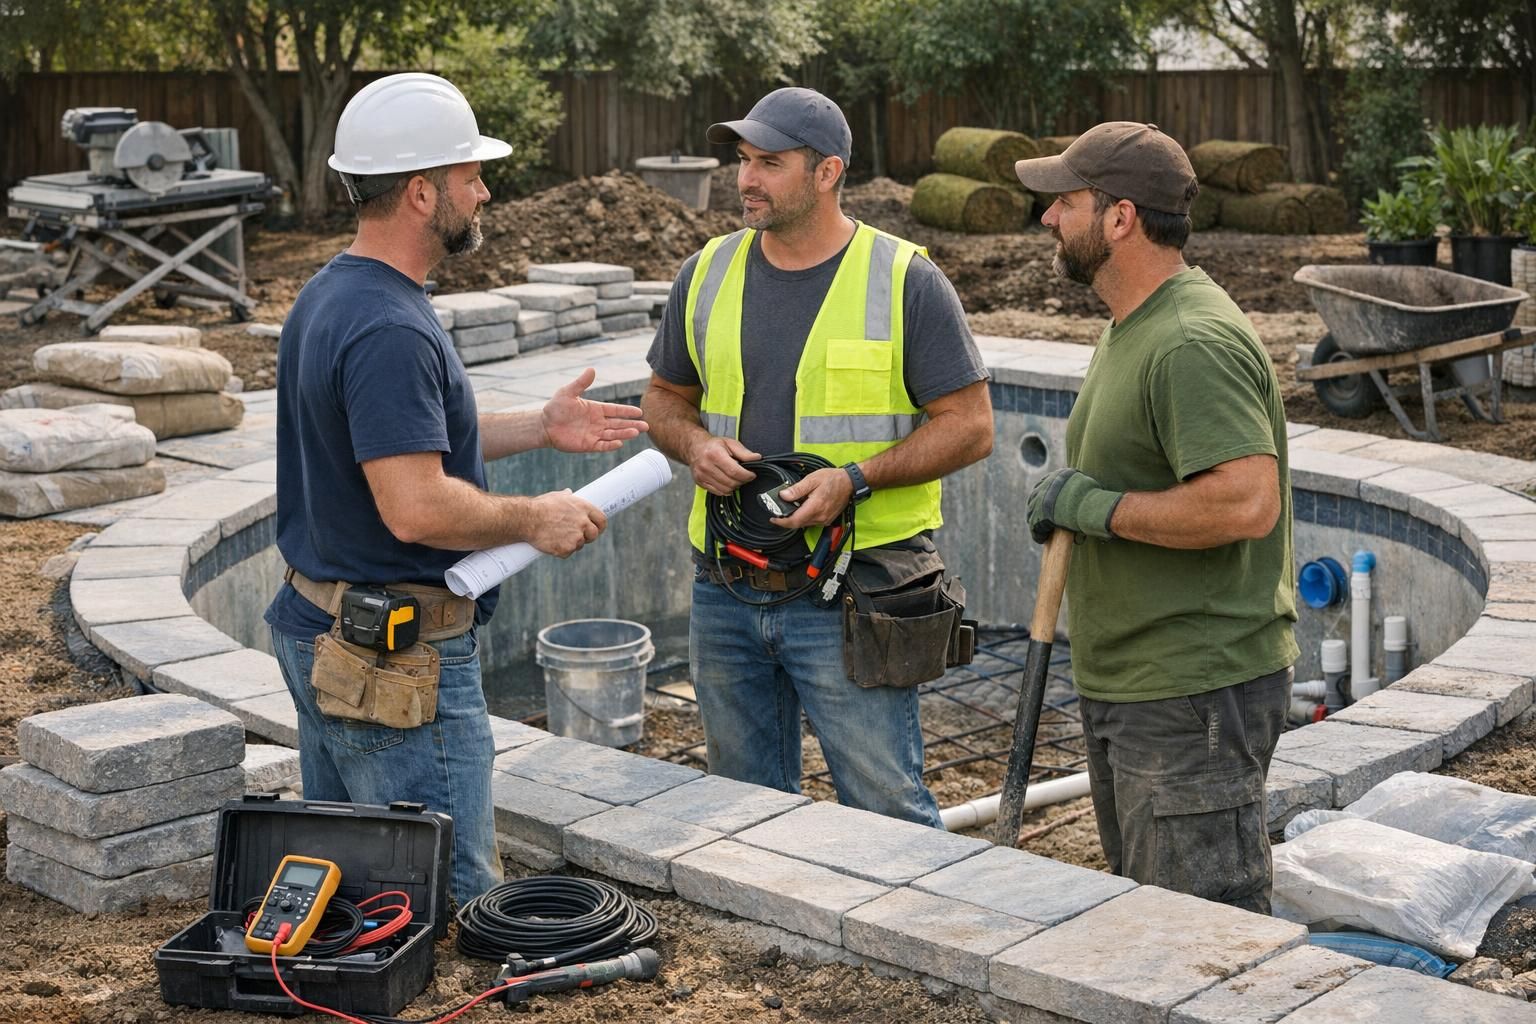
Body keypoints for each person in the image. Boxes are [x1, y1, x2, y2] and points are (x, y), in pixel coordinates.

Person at [264, 73, 647, 906]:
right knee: (443, 897)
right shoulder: (389, 328)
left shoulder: (336, 293)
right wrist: (535, 517)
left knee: (359, 890)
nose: (483, 193)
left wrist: (541, 426)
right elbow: (415, 506)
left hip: (326, 627)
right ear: (419, 192)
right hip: (394, 662)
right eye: (470, 176)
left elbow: (399, 441)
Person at [642, 87, 993, 828]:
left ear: (828, 172)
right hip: (727, 586)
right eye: (744, 161)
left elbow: (970, 427)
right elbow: (664, 400)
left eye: (769, 163)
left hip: (855, 589)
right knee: (742, 809)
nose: (746, 179)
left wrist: (855, 480)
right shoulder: (706, 272)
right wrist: (696, 444)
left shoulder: (904, 279)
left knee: (886, 810)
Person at [1015, 122, 1298, 913]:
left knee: (1201, 941)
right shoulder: (1133, 324)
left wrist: (1094, 508)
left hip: (1191, 693)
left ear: (1120, 218)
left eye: (1065, 202)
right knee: (1150, 923)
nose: (1048, 218)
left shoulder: (1188, 340)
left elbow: (1246, 500)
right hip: (1144, 689)